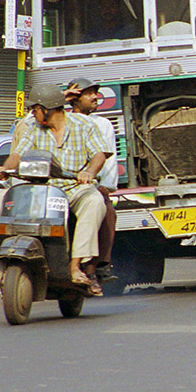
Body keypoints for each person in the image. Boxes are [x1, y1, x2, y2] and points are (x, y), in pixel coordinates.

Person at [0, 83, 110, 296]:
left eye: (35, 109)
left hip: (75, 188)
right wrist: (5, 168)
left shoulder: (83, 125)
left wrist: (89, 173)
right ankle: (8, 259)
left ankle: (75, 265)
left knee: (94, 202)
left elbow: (99, 154)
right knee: (3, 198)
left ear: (47, 108)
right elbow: (18, 154)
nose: (33, 114)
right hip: (42, 191)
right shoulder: (34, 130)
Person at [66, 78, 118, 279]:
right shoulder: (60, 120)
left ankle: (100, 264)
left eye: (95, 93)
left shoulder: (102, 124)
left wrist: (105, 185)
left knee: (106, 209)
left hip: (89, 183)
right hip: (61, 184)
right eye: (89, 94)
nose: (95, 97)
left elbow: (107, 157)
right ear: (75, 99)